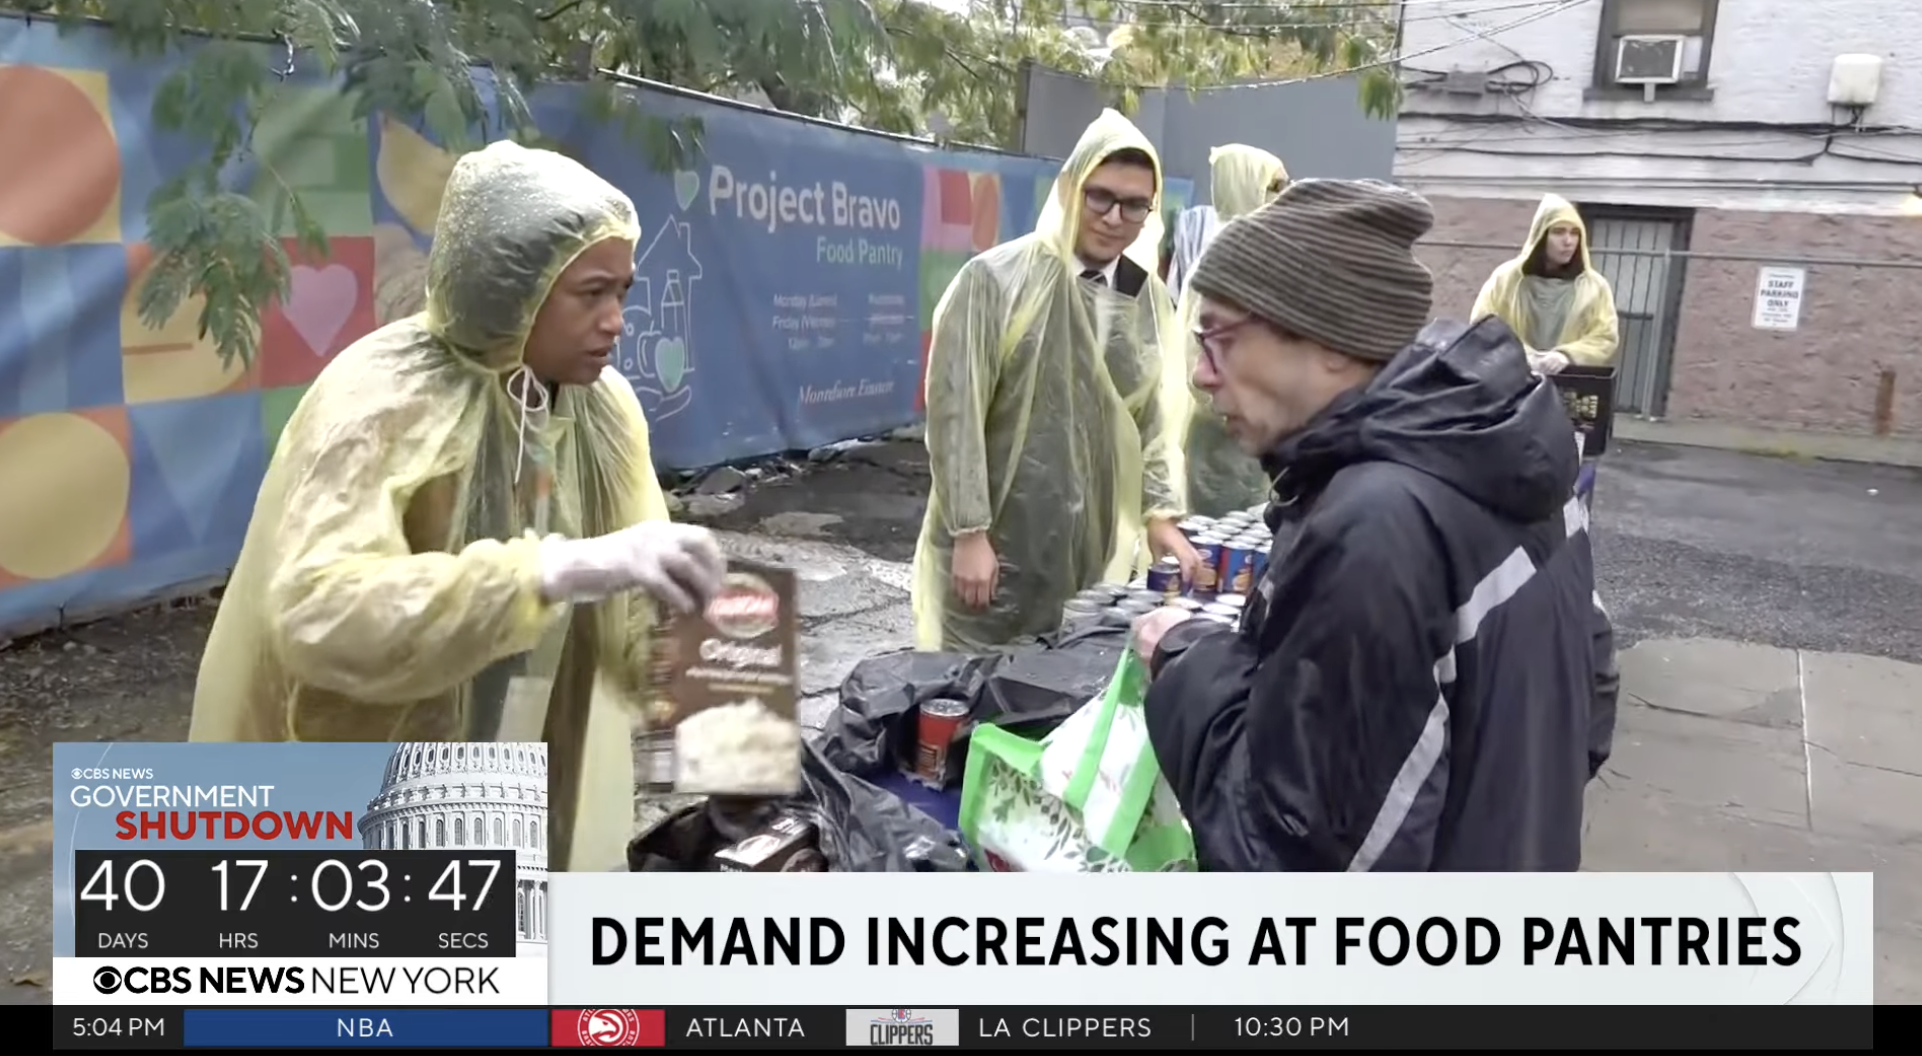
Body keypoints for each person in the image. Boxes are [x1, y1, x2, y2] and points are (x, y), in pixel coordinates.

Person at [188, 140, 727, 873]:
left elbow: (639, 605)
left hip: (529, 749)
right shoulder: (378, 398)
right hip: (361, 774)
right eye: (590, 293)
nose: (616, 322)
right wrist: (549, 571)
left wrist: (704, 684)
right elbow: (320, 612)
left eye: (623, 292)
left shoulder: (602, 411)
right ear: (512, 288)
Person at [1130, 179, 1620, 872]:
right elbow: (1591, 692)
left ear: (1331, 342)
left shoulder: (1374, 526)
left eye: (1218, 337)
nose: (1203, 376)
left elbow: (1292, 853)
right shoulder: (1512, 451)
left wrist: (1185, 663)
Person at [912, 109, 1200, 652]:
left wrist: (1159, 515)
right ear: (1069, 188)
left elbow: (1154, 420)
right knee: (966, 700)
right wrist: (970, 532)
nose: (1116, 217)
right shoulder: (997, 281)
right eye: (1101, 196)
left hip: (1087, 551)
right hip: (996, 543)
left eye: (1136, 204)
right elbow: (957, 412)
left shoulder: (1146, 301)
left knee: (1057, 698)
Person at [1166, 144, 1289, 517]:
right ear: (1244, 188)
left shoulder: (1265, 259)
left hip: (1261, 443)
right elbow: (1197, 367)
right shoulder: (1220, 265)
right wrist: (1247, 404)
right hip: (1221, 448)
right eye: (1274, 187)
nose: (1284, 197)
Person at [1471, 193, 1620, 375]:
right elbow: (1483, 325)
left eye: (1575, 233)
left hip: (1567, 383)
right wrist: (1523, 356)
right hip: (1510, 379)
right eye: (1558, 232)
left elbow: (1605, 337)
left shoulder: (1595, 287)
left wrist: (1566, 356)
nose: (1568, 241)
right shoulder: (1506, 279)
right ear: (1541, 236)